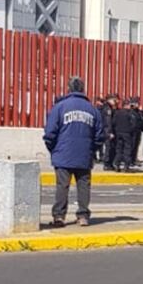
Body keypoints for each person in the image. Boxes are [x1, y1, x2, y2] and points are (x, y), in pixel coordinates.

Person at [43, 76, 103, 228]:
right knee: (83, 186)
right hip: (84, 155)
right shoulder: (92, 109)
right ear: (83, 89)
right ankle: (83, 216)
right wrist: (91, 150)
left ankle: (59, 216)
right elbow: (100, 135)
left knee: (62, 186)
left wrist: (54, 149)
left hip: (63, 153)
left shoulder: (60, 107)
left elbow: (50, 133)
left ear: (68, 89)